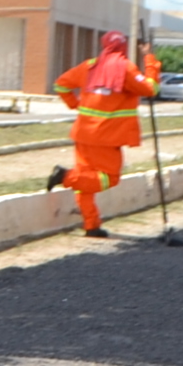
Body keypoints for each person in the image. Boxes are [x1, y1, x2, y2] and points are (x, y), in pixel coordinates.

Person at [48, 30, 144, 236]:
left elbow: (60, 84)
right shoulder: (126, 68)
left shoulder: (89, 66)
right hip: (107, 138)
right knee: (110, 178)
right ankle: (65, 176)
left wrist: (75, 104)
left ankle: (91, 225)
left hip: (83, 133)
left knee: (86, 183)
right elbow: (150, 88)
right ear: (123, 47)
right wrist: (151, 60)